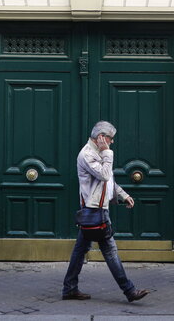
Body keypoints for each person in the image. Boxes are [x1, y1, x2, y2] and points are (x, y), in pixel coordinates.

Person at [62, 121, 149, 303]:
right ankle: (129, 291)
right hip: (94, 211)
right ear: (101, 137)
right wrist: (108, 153)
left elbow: (108, 182)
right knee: (110, 251)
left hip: (96, 211)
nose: (112, 142)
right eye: (111, 138)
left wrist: (123, 195)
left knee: (80, 250)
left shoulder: (100, 153)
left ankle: (70, 288)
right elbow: (104, 175)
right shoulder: (87, 154)